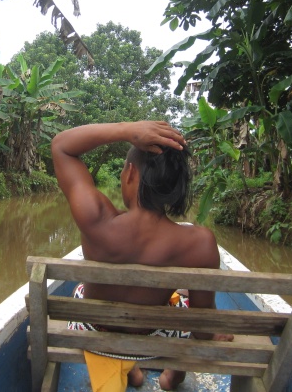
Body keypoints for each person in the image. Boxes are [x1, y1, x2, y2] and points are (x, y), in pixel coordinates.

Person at [51, 121, 232, 391]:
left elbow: (61, 146)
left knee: (81, 291)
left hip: (93, 331)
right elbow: (202, 323)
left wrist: (127, 130)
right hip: (153, 337)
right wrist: (215, 333)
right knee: (183, 307)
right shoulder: (200, 243)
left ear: (130, 173)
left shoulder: (96, 220)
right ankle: (172, 376)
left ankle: (130, 373)